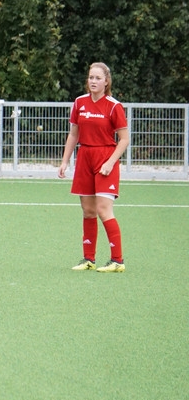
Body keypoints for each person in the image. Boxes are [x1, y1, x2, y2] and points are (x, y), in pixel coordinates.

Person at [58, 62, 129, 273]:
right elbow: (74, 134)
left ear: (106, 82)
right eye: (91, 77)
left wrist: (110, 162)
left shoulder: (114, 106)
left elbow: (124, 139)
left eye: (98, 78)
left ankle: (117, 260)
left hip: (105, 158)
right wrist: (65, 161)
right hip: (85, 158)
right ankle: (88, 259)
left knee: (103, 209)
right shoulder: (79, 102)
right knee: (88, 210)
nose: (93, 81)